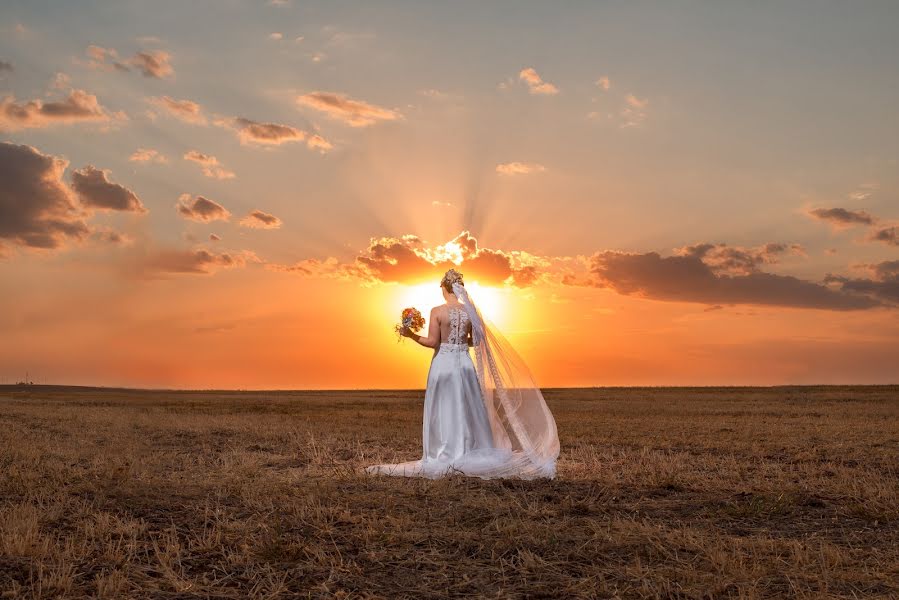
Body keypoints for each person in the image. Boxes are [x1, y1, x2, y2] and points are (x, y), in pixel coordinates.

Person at [365, 268, 559, 479]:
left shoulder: (437, 311)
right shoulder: (470, 312)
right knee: (468, 407)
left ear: (443, 287)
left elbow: (432, 342)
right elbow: (477, 341)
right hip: (465, 365)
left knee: (444, 407)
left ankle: (446, 451)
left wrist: (410, 334)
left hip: (444, 365)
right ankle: (474, 449)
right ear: (458, 289)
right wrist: (459, 343)